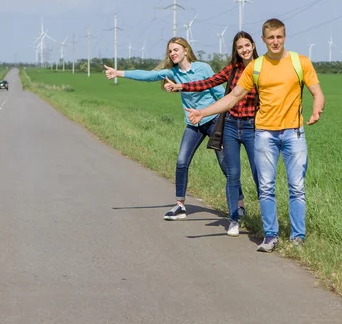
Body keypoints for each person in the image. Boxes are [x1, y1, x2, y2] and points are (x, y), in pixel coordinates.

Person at [185, 18, 325, 252]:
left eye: (279, 36)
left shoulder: (300, 62)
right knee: (267, 186)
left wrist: (316, 109)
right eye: (270, 37)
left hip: (294, 133)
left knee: (297, 187)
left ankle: (297, 236)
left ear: (285, 36)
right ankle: (271, 235)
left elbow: (317, 92)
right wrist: (203, 112)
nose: (275, 41)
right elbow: (233, 96)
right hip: (264, 134)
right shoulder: (256, 66)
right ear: (263, 39)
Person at [103, 37, 227, 221]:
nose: (172, 53)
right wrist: (119, 73)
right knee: (181, 162)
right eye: (170, 51)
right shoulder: (173, 73)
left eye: (176, 49)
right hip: (193, 123)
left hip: (213, 120)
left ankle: (239, 205)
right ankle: (180, 206)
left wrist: (227, 118)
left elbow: (220, 94)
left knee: (226, 164)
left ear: (186, 50)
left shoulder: (203, 68)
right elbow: (147, 75)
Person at [164, 31, 259, 237]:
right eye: (239, 47)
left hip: (253, 126)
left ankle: (268, 223)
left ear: (253, 45)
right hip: (232, 124)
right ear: (236, 50)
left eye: (246, 45)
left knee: (259, 174)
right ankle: (234, 217)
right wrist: (182, 86)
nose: (243, 50)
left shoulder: (262, 67)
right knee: (231, 173)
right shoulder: (233, 69)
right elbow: (209, 82)